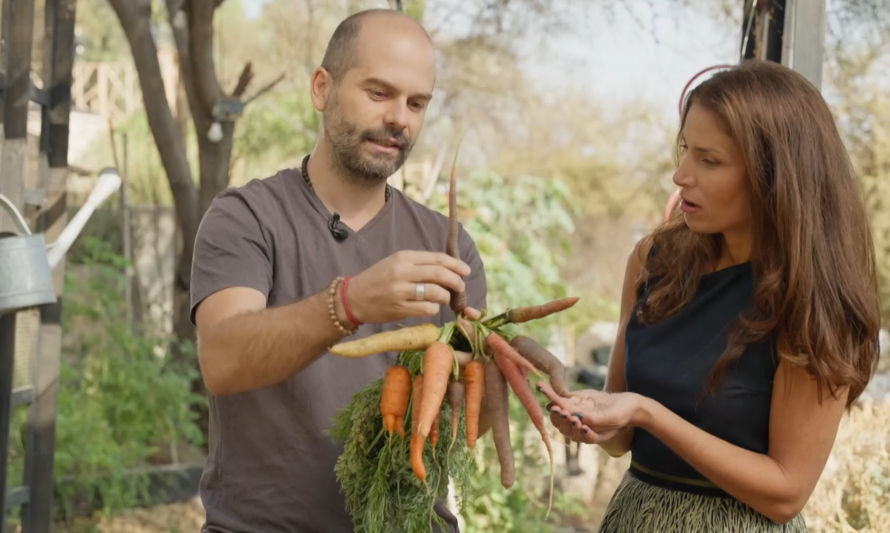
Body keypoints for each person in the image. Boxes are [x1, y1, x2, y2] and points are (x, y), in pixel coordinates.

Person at [540, 60, 880, 532]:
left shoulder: (814, 304)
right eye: (685, 151)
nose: (681, 176)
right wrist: (593, 420)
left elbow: (785, 493)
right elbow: (622, 437)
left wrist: (650, 414)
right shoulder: (652, 260)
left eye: (709, 160)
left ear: (773, 176)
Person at [189, 9, 486, 532]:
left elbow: (461, 418)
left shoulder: (449, 244)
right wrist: (349, 303)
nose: (400, 118)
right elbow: (222, 358)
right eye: (379, 93)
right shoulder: (247, 217)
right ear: (322, 88)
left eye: (416, 103)